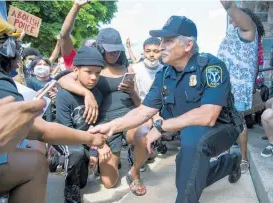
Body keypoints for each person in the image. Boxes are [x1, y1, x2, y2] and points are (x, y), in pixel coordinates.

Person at [89, 15, 244, 203]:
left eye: (168, 41)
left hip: (222, 127)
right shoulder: (165, 74)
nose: (161, 46)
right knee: (188, 178)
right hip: (190, 133)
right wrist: (112, 126)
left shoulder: (211, 67)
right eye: (162, 40)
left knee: (192, 149)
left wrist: (161, 127)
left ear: (188, 45)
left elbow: (208, 115)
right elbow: (143, 110)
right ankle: (229, 163)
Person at [0, 17, 108, 203]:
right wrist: (92, 139)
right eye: (17, 50)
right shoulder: (2, 83)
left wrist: (95, 149)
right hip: (71, 140)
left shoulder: (97, 93)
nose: (19, 60)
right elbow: (42, 130)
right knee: (37, 162)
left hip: (80, 140)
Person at [58, 0, 150, 196]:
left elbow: (140, 106)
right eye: (109, 48)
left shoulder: (127, 68)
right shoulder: (91, 65)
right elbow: (63, 79)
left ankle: (135, 173)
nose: (114, 52)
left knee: (142, 134)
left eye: (117, 48)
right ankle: (109, 163)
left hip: (128, 118)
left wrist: (132, 91)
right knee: (109, 183)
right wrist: (87, 93)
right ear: (100, 47)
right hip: (104, 125)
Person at [217, 0, 265, 173]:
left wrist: (229, 6)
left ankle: (243, 158)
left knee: (238, 122)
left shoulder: (248, 31)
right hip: (223, 86)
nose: (231, 20)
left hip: (237, 88)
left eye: (235, 17)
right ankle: (228, 155)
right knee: (223, 122)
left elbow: (232, 9)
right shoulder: (232, 34)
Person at [55, 45, 105, 203]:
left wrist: (94, 152)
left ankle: (68, 161)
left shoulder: (97, 94)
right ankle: (69, 188)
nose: (94, 77)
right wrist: (85, 148)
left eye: (98, 73)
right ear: (76, 70)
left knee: (83, 182)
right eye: (88, 72)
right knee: (75, 152)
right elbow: (66, 130)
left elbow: (95, 126)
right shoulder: (64, 95)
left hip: (84, 139)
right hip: (63, 136)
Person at [128, 37, 164, 170]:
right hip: (139, 107)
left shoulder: (165, 69)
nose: (152, 54)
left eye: (156, 51)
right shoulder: (134, 69)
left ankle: (150, 146)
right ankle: (135, 151)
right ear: (143, 52)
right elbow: (133, 95)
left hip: (159, 110)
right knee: (143, 126)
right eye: (148, 51)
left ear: (161, 52)